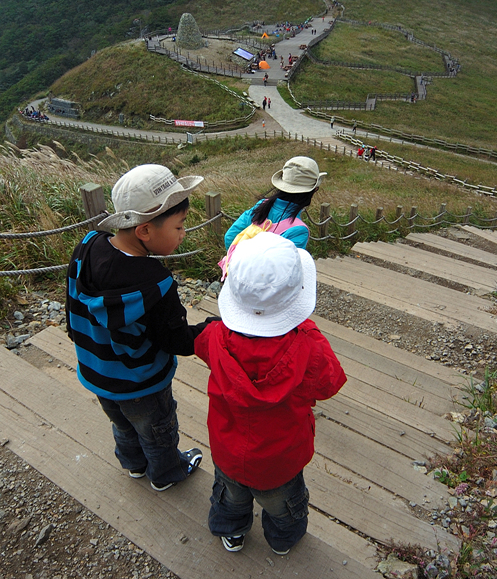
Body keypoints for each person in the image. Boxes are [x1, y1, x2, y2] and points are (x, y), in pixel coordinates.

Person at [195, 232, 347, 555]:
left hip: (227, 449)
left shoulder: (214, 336)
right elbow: (330, 383)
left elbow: (199, 345)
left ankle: (231, 532)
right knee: (285, 508)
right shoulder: (308, 347)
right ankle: (282, 540)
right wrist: (308, 329)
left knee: (229, 497)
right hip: (281, 460)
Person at [66, 164, 211, 492]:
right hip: (142, 383)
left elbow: (72, 301)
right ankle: (166, 473)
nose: (183, 233)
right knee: (158, 430)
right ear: (144, 231)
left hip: (97, 371)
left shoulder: (88, 245)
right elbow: (176, 341)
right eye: (179, 226)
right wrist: (207, 329)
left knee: (122, 424)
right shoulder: (156, 284)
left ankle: (134, 465)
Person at [224, 156, 325, 250]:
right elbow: (288, 262)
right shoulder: (298, 231)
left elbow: (229, 237)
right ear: (313, 191)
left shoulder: (261, 205)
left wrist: (236, 260)